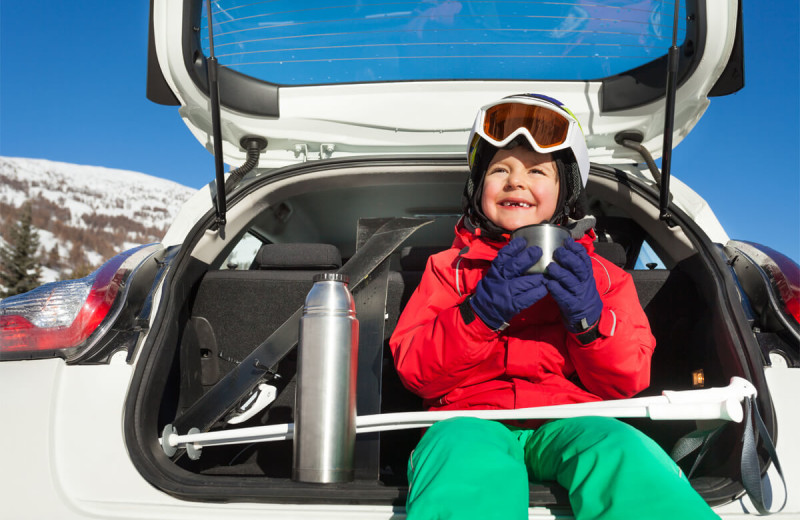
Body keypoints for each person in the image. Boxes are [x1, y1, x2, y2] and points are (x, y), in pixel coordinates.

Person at [389, 94, 719, 519]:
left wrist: (590, 322)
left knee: (621, 449)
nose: (515, 181)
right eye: (499, 169)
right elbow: (417, 374)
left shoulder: (601, 277)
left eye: (537, 170)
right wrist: (478, 315)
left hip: (572, 419)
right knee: (461, 459)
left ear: (566, 190)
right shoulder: (448, 269)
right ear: (477, 187)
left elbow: (629, 379)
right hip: (468, 421)